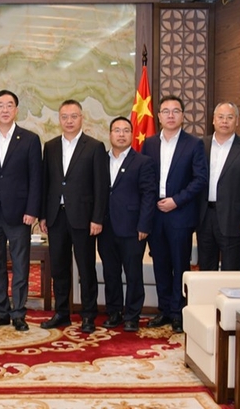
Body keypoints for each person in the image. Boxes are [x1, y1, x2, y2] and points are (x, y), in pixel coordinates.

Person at [0, 89, 42, 332]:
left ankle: (18, 313)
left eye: (9, 105)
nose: (4, 109)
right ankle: (0, 311)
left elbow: (36, 178)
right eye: (0, 105)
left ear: (16, 109)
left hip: (19, 214)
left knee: (21, 265)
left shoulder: (30, 139)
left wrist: (32, 209)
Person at [38, 99, 106, 334]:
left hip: (84, 219)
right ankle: (62, 312)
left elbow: (101, 186)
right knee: (59, 267)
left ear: (81, 118)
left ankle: (88, 315)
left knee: (86, 268)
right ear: (59, 119)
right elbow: (46, 183)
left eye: (73, 116)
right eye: (64, 116)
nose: (69, 121)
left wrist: (97, 218)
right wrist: (43, 216)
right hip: (57, 217)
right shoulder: (51, 146)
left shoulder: (94, 147)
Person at [141, 94, 207, 334]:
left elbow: (200, 179)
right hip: (155, 213)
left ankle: (179, 313)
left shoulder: (194, 144)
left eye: (175, 111)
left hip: (180, 214)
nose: (170, 115)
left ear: (182, 115)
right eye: (166, 111)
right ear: (158, 116)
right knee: (160, 263)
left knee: (180, 264)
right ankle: (164, 310)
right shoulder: (149, 143)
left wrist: (176, 201)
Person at [98, 116, 157, 332]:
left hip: (133, 228)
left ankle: (132, 315)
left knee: (133, 273)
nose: (121, 134)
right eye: (117, 130)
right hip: (105, 227)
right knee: (110, 272)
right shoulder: (100, 160)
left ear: (131, 135)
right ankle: (114, 312)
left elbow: (148, 195)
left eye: (125, 130)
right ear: (110, 134)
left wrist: (144, 225)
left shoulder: (143, 161)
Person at [197, 102, 240, 271]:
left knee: (231, 269)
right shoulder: (200, 145)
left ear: (237, 121)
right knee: (205, 267)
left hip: (233, 218)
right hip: (204, 217)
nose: (224, 121)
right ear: (213, 120)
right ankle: (207, 298)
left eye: (229, 117)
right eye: (220, 117)